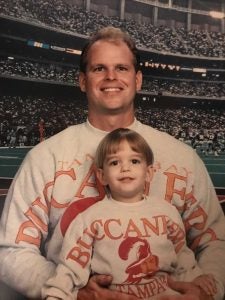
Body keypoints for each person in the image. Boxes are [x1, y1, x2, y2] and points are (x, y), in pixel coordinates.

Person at [0, 26, 225, 300]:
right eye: (98, 69)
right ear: (82, 81)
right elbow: (12, 249)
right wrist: (72, 290)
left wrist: (206, 288)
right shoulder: (45, 157)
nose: (111, 77)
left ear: (138, 79)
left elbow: (216, 241)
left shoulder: (182, 157)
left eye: (121, 68)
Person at [42, 128, 217, 300]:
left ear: (148, 173)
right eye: (114, 162)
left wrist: (197, 278)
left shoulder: (167, 212)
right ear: (102, 176)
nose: (125, 167)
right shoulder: (89, 218)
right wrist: (57, 295)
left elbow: (181, 257)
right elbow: (70, 268)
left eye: (134, 161)